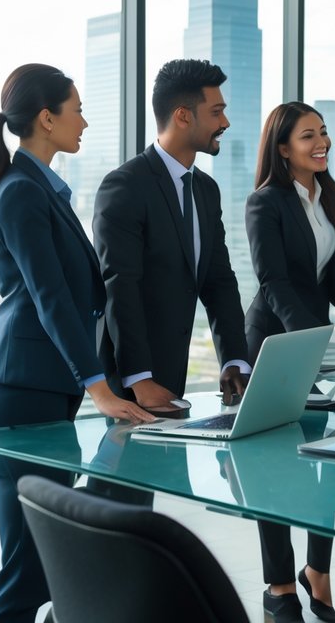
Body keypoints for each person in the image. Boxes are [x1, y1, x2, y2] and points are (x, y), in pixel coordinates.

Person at [0, 64, 152, 623]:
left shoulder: (40, 188)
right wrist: (97, 388)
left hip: (38, 389)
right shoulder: (23, 192)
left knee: (35, 563)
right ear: (46, 119)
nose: (85, 121)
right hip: (22, 391)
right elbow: (51, 298)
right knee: (27, 573)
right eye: (76, 109)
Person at [245, 102, 335, 623]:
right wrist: (309, 335)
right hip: (275, 339)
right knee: (273, 468)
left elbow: (324, 280)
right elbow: (273, 282)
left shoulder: (327, 196)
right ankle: (279, 587)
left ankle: (317, 571)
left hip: (311, 339)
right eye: (308, 135)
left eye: (324, 133)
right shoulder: (265, 202)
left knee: (327, 458)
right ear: (283, 146)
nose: (322, 143)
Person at [93, 59, 250, 409]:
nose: (224, 122)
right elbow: (120, 286)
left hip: (173, 377)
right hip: (131, 387)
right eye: (216, 112)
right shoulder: (124, 186)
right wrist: (139, 379)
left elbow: (219, 281)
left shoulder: (206, 190)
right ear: (183, 116)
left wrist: (235, 361)